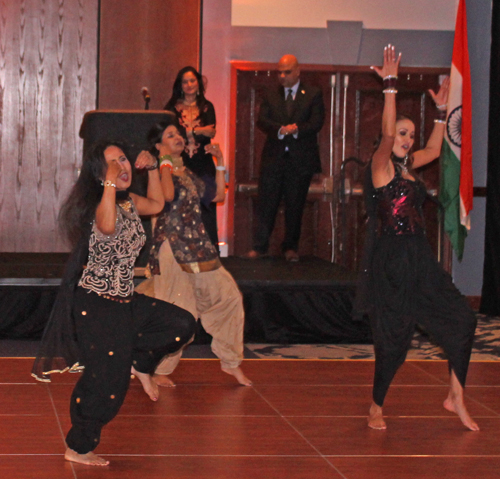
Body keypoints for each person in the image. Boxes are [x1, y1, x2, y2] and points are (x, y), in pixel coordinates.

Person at [31, 141, 197, 466]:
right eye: (111, 163)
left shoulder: (128, 201)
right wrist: (109, 181)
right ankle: (78, 447)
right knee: (107, 382)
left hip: (125, 301)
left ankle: (142, 362)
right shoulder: (100, 204)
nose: (121, 166)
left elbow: (157, 203)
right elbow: (107, 227)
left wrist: (151, 168)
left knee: (180, 324)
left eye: (123, 159)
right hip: (96, 306)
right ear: (100, 173)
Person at [357, 45, 478, 431]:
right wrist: (390, 85)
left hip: (420, 258)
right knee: (394, 339)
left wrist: (441, 113)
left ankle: (455, 394)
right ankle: (376, 405)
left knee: (462, 319)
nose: (408, 140)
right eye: (403, 134)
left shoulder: (408, 167)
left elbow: (434, 148)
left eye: (411, 134)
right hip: (392, 262)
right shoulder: (379, 166)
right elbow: (388, 131)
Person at [135, 118, 252, 387]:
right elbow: (165, 195)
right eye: (170, 135)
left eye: (179, 134)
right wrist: (162, 160)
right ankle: (158, 368)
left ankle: (231, 361)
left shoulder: (187, 173)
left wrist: (220, 162)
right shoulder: (160, 169)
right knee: (180, 311)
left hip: (199, 248)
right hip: (172, 248)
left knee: (229, 296)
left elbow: (217, 197)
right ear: (158, 145)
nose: (178, 137)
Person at [243, 54, 325, 262]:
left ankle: (290, 248)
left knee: (295, 205)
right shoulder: (271, 94)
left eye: (287, 72)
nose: (282, 76)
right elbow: (263, 120)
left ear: (297, 71)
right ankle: (259, 247)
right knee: (266, 204)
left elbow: (317, 122)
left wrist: (296, 129)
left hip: (300, 161)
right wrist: (280, 130)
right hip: (274, 159)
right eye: (279, 71)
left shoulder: (313, 93)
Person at [164, 66, 219, 250]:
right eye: (185, 82)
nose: (188, 85)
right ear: (180, 85)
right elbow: (170, 133)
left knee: (206, 209)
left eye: (192, 81)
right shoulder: (171, 108)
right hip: (180, 166)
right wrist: (196, 131)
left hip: (203, 165)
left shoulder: (207, 106)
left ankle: (210, 253)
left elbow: (210, 132)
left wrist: (186, 133)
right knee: (179, 210)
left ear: (198, 83)